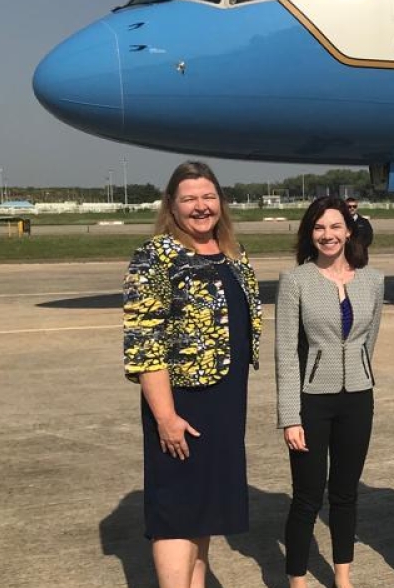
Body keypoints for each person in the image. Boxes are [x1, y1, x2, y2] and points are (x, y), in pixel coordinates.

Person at [123, 160, 263, 588]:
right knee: (176, 515)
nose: (201, 207)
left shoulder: (234, 256)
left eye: (208, 196)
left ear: (221, 201)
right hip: (183, 403)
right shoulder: (156, 256)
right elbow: (145, 343)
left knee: (205, 511)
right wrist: (166, 417)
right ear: (171, 205)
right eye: (189, 199)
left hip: (223, 403)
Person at [275, 196, 385, 588]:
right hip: (312, 400)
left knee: (345, 493)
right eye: (319, 228)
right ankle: (298, 579)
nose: (328, 235)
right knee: (307, 497)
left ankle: (343, 576)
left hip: (358, 397)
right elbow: (286, 352)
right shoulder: (296, 281)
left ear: (349, 231)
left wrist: (362, 374)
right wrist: (290, 416)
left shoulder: (373, 280)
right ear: (311, 233)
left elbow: (368, 341)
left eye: (335, 227)